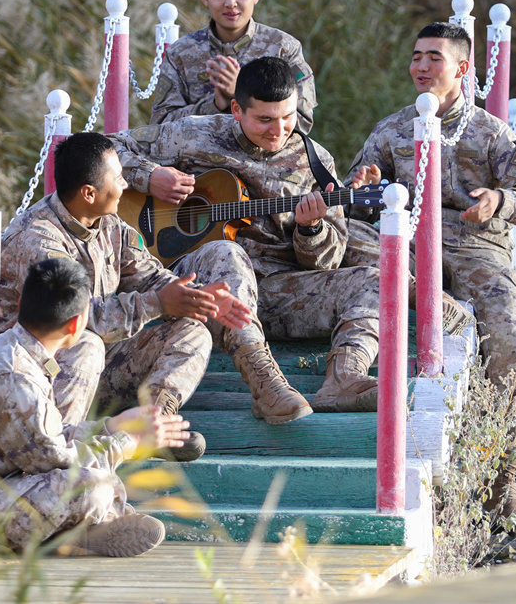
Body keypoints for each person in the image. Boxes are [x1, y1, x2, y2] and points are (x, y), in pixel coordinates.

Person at [346, 22, 516, 517]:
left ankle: (503, 486)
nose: (421, 66)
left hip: (475, 247)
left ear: (462, 68)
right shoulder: (391, 129)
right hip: (407, 244)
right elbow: (355, 199)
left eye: (434, 58)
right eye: (416, 56)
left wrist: (499, 201)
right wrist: (363, 185)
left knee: (511, 336)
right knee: (349, 247)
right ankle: (421, 302)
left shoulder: (490, 131)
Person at [113, 56, 385, 413]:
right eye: (265, 120)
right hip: (199, 290)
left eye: (288, 117)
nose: (279, 130)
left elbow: (328, 262)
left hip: (276, 294)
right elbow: (103, 147)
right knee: (228, 253)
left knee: (374, 281)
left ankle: (345, 377)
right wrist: (150, 176)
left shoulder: (315, 162)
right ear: (237, 110)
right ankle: (266, 386)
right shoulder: (192, 134)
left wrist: (312, 229)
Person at [0, 132, 252, 461]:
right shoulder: (38, 240)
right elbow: (76, 319)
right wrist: (158, 303)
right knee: (86, 343)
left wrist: (195, 297)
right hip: (39, 376)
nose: (125, 185)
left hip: (102, 364)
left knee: (192, 331)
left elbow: (147, 274)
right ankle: (64, 450)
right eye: (118, 178)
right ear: (89, 193)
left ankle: (155, 426)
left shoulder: (108, 223)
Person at [0, 258, 189, 556]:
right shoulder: (16, 378)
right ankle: (77, 535)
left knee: (95, 477)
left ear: (21, 303)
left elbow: (48, 439)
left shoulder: (10, 350)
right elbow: (56, 462)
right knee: (91, 486)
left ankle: (78, 534)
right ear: (77, 323)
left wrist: (110, 426)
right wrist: (128, 443)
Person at [149, 0, 317, 133]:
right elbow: (161, 127)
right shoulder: (180, 53)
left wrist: (242, 93)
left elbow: (302, 121)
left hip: (265, 153)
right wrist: (214, 105)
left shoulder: (283, 49)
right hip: (198, 153)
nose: (230, 3)